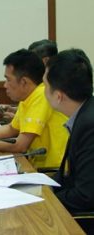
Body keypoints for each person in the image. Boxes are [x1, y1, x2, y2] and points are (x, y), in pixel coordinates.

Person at [0, 49, 69, 169]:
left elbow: (19, 146)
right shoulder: (28, 97)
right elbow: (11, 129)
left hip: (54, 172)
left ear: (23, 82)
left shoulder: (41, 96)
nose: (5, 85)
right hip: (36, 166)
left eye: (8, 79)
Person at [44, 49, 94, 213]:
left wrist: (44, 201)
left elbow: (85, 196)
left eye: (45, 85)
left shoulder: (89, 125)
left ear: (58, 96)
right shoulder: (84, 113)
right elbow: (66, 172)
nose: (43, 91)